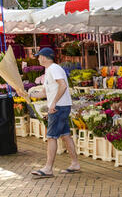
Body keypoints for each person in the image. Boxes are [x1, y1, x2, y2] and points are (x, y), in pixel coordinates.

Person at [17, 47, 80, 178]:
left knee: (51, 137)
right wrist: (26, 94)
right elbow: (44, 93)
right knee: (65, 135)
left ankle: (48, 168)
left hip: (58, 107)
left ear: (45, 57)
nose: (38, 59)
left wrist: (54, 103)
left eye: (39, 56)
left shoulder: (54, 68)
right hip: (61, 106)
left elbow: (63, 85)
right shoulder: (49, 70)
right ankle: (75, 164)